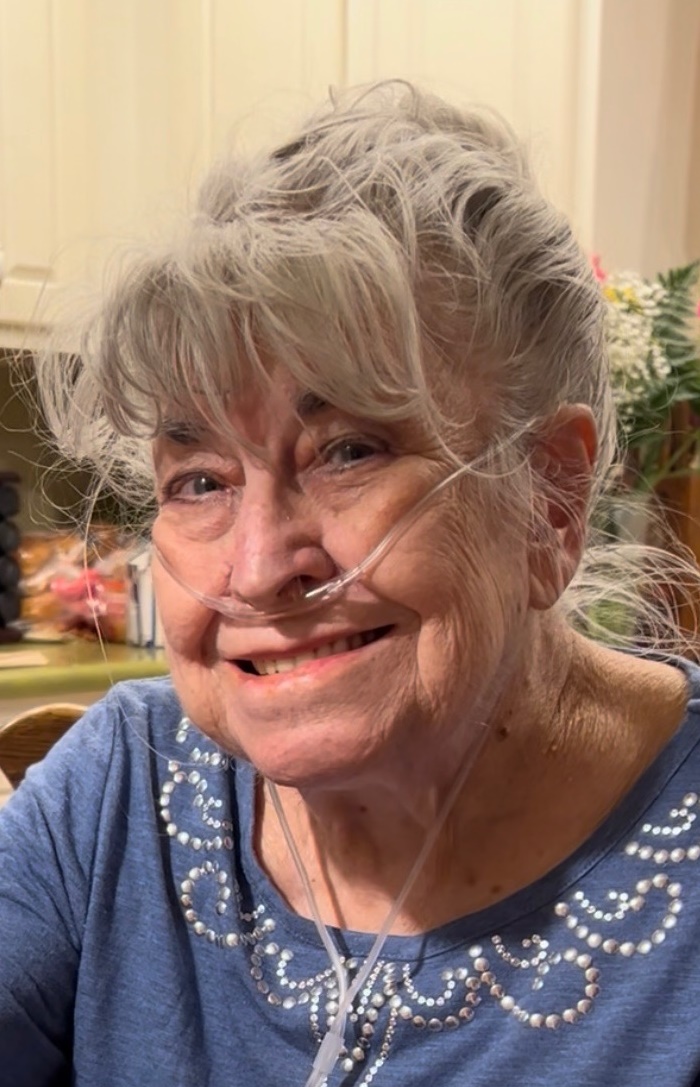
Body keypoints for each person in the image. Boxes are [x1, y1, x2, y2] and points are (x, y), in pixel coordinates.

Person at [2, 80, 700, 1087]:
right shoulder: (122, 792)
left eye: (347, 452)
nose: (256, 569)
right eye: (199, 481)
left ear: (549, 497)